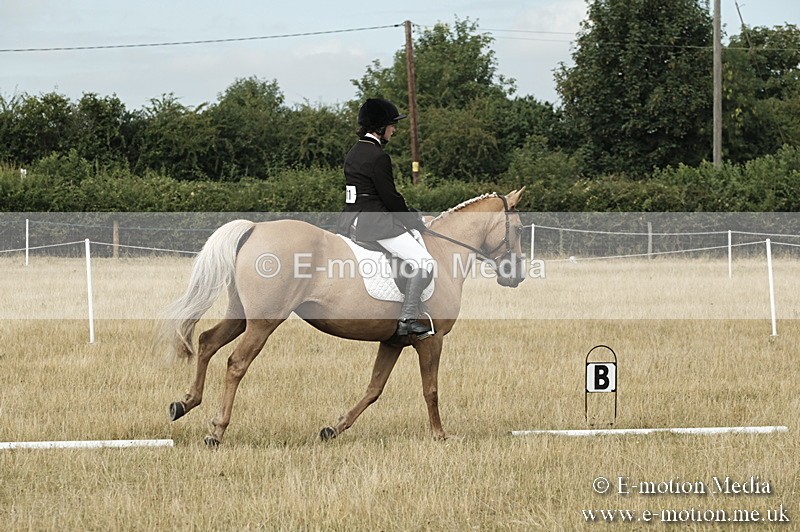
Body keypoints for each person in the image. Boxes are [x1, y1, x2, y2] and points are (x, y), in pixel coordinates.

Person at [337, 98, 433, 338]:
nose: (394, 129)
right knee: (424, 262)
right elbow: (390, 197)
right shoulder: (379, 157)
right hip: (374, 223)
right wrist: (413, 220)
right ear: (380, 127)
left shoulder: (353, 152)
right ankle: (408, 319)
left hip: (351, 219)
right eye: (391, 125)